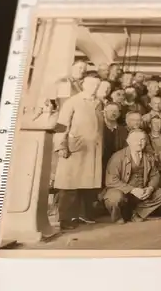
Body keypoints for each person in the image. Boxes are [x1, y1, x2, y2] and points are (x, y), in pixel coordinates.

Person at [53, 72, 103, 230]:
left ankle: (82, 214)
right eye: (90, 84)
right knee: (69, 185)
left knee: (86, 184)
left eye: (96, 85)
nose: (93, 87)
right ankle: (65, 219)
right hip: (74, 148)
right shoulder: (72, 102)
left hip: (92, 149)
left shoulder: (99, 103)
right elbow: (61, 126)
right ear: (83, 84)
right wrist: (61, 146)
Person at [103, 130, 161, 223]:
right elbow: (111, 180)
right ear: (128, 141)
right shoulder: (117, 157)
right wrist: (132, 190)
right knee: (114, 198)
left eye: (142, 140)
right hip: (123, 192)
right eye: (136, 140)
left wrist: (150, 188)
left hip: (142, 192)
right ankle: (118, 217)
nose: (139, 143)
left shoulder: (149, 157)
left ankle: (137, 213)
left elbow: (155, 175)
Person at [101, 103, 128, 186]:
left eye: (116, 111)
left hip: (117, 166)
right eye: (110, 111)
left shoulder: (123, 130)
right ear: (104, 112)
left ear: (119, 114)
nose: (113, 113)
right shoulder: (98, 129)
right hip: (100, 165)